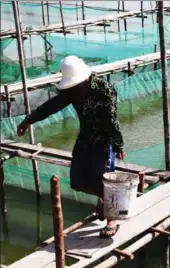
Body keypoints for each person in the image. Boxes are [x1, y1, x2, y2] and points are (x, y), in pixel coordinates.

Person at [17, 56, 125, 238]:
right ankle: (102, 199)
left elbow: (111, 120)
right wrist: (28, 120)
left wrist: (118, 144)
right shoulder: (72, 91)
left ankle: (111, 219)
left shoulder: (105, 89)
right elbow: (51, 106)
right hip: (85, 136)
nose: (74, 89)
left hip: (104, 139)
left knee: (104, 176)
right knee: (78, 177)